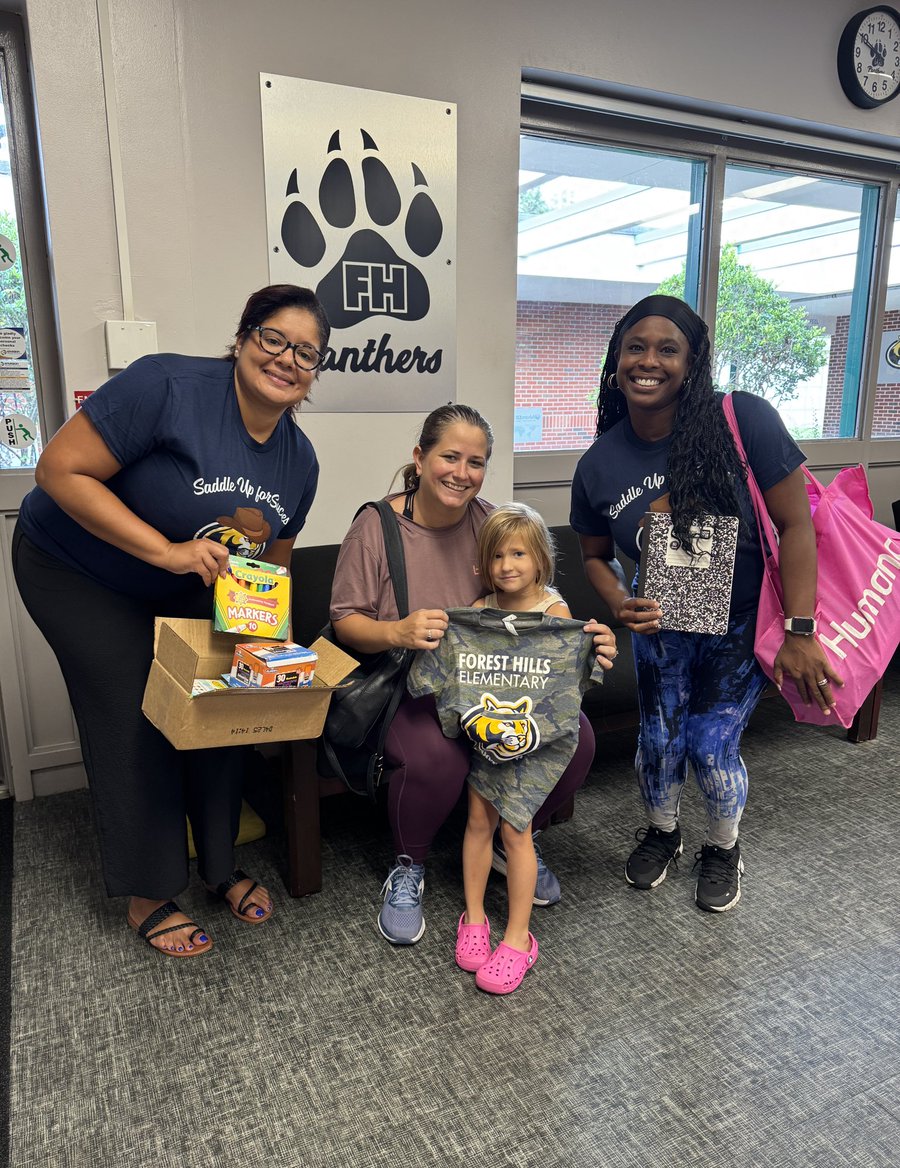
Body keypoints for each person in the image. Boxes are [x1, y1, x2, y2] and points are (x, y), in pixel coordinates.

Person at [13, 283, 329, 957]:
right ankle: (150, 889)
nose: (287, 359)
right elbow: (58, 471)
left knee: (220, 702)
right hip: (75, 567)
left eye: (307, 351)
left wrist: (266, 661)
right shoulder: (168, 385)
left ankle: (219, 866)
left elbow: (269, 571)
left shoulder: (299, 463)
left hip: (184, 581)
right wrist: (166, 551)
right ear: (243, 338)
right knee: (135, 708)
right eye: (273, 339)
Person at [570, 294, 840, 913]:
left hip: (741, 623)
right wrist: (619, 599)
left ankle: (723, 845)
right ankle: (664, 831)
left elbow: (798, 528)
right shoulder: (600, 461)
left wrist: (801, 631)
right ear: (616, 360)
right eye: (635, 347)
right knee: (658, 741)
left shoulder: (742, 419)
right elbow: (592, 556)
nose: (649, 361)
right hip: (662, 625)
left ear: (692, 363)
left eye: (669, 349)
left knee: (710, 745)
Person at [329, 406, 617, 945]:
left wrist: (589, 641)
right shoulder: (377, 525)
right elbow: (346, 623)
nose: (462, 472)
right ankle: (409, 864)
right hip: (411, 683)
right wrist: (398, 631)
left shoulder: (492, 523)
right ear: (420, 458)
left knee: (575, 741)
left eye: (476, 461)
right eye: (450, 457)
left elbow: (540, 607)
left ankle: (513, 836)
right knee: (437, 755)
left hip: (497, 686)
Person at [457, 503, 572, 994]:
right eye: (498, 555)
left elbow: (568, 681)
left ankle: (518, 937)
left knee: (515, 831)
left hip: (535, 746)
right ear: (485, 563)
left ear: (540, 558)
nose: (508, 565)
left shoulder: (555, 612)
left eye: (519, 553)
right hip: (485, 745)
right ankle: (476, 917)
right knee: (478, 823)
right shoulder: (481, 611)